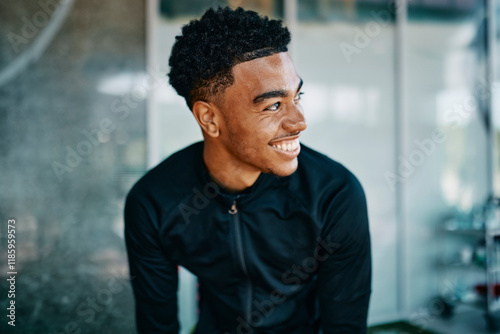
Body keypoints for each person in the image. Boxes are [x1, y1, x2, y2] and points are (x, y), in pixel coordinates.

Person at [125, 6, 371, 334]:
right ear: (209, 118)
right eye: (273, 105)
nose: (300, 121)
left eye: (297, 96)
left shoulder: (334, 193)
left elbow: (345, 326)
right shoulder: (154, 202)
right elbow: (157, 324)